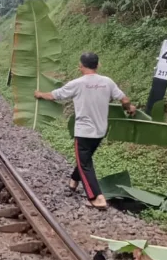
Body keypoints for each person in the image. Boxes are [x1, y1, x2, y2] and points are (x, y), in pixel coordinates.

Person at [33, 52, 135, 210]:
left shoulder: (77, 83)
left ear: (80, 67)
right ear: (98, 65)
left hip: (84, 132)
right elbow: (125, 99)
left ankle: (97, 198)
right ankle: (73, 181)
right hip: (101, 131)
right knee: (84, 159)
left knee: (85, 163)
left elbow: (56, 95)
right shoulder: (107, 82)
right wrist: (129, 108)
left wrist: (40, 94)